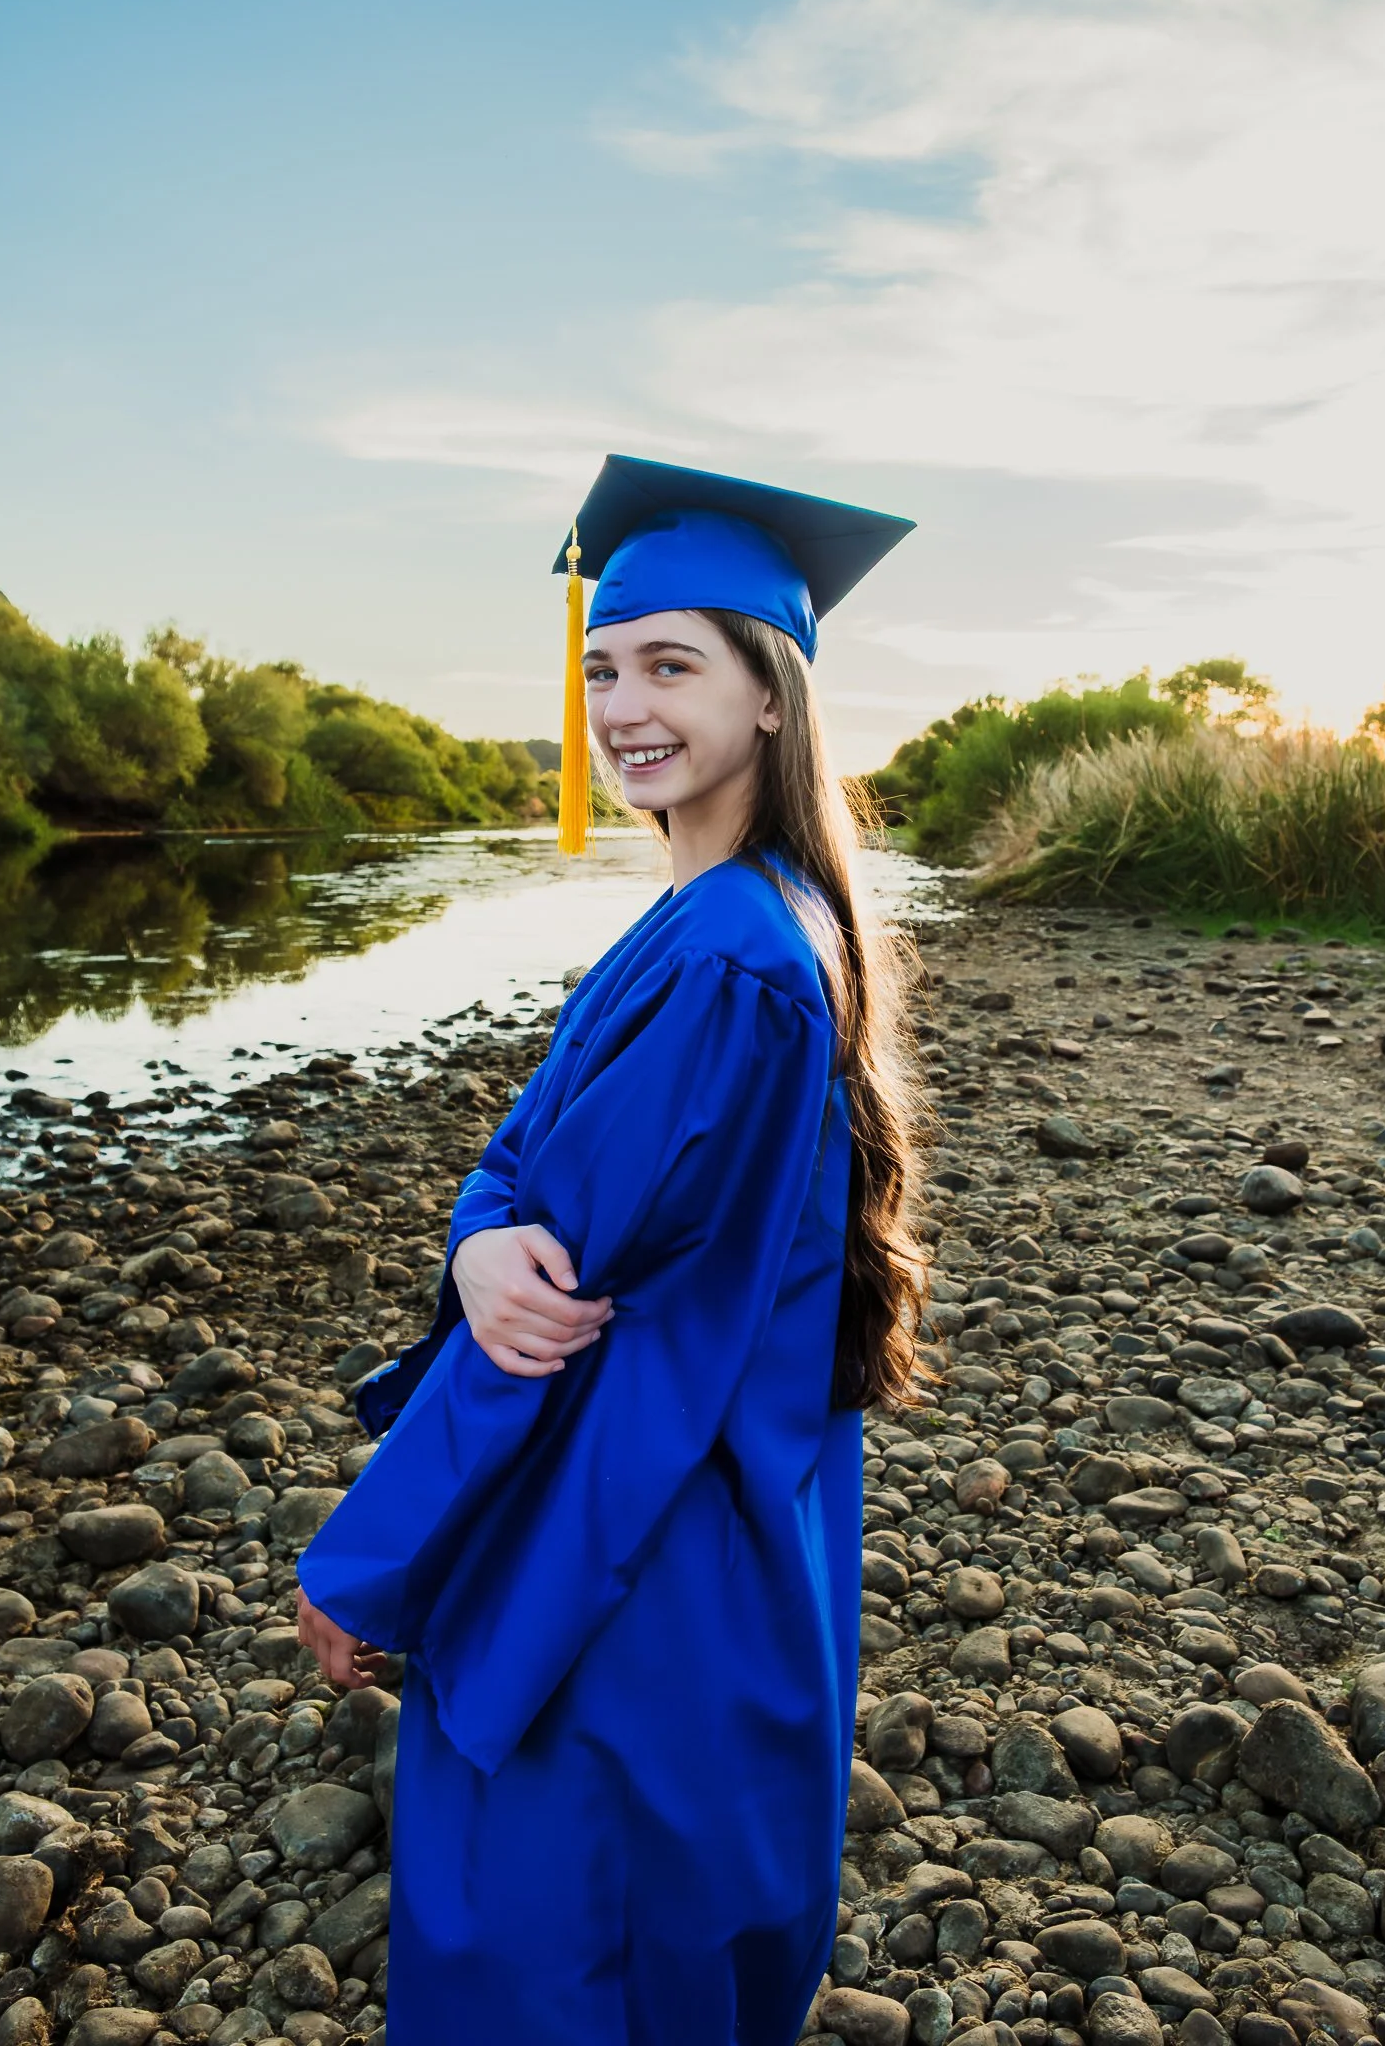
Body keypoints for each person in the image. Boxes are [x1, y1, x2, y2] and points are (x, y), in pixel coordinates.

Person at [295, 456, 928, 2046]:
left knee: (558, 1962)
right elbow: (528, 1191)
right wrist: (473, 1239)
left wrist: (376, 1555)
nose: (624, 705)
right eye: (601, 667)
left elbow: (555, 1315)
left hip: (626, 1563)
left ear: (770, 696)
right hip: (728, 1540)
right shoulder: (755, 914)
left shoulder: (722, 961)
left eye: (672, 665)